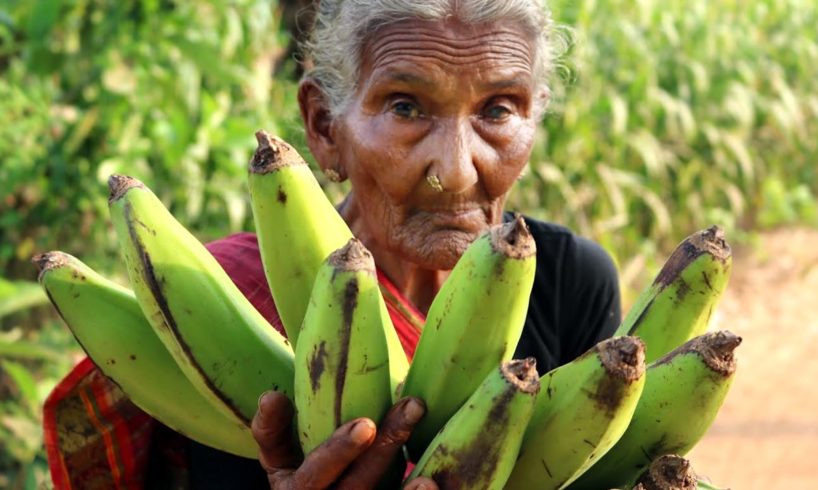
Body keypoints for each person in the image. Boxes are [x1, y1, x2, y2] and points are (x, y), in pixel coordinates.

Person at [42, 0, 621, 488]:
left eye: (498, 110)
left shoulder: (572, 283)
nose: (458, 169)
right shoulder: (214, 306)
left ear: (535, 117)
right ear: (323, 126)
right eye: (405, 107)